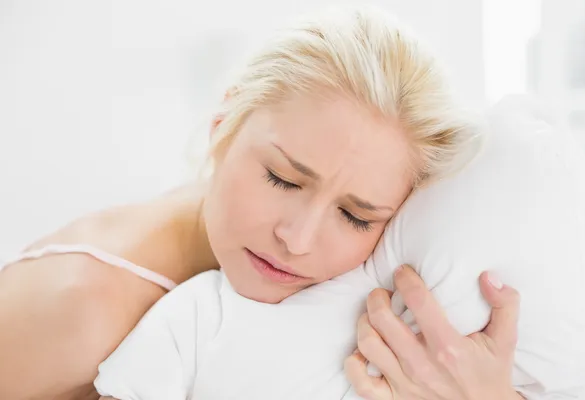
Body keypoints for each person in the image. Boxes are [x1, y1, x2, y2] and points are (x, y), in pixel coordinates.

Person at [0, 5, 521, 400]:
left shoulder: (356, 289)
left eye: (354, 215)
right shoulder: (83, 308)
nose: (298, 239)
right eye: (282, 179)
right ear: (224, 125)